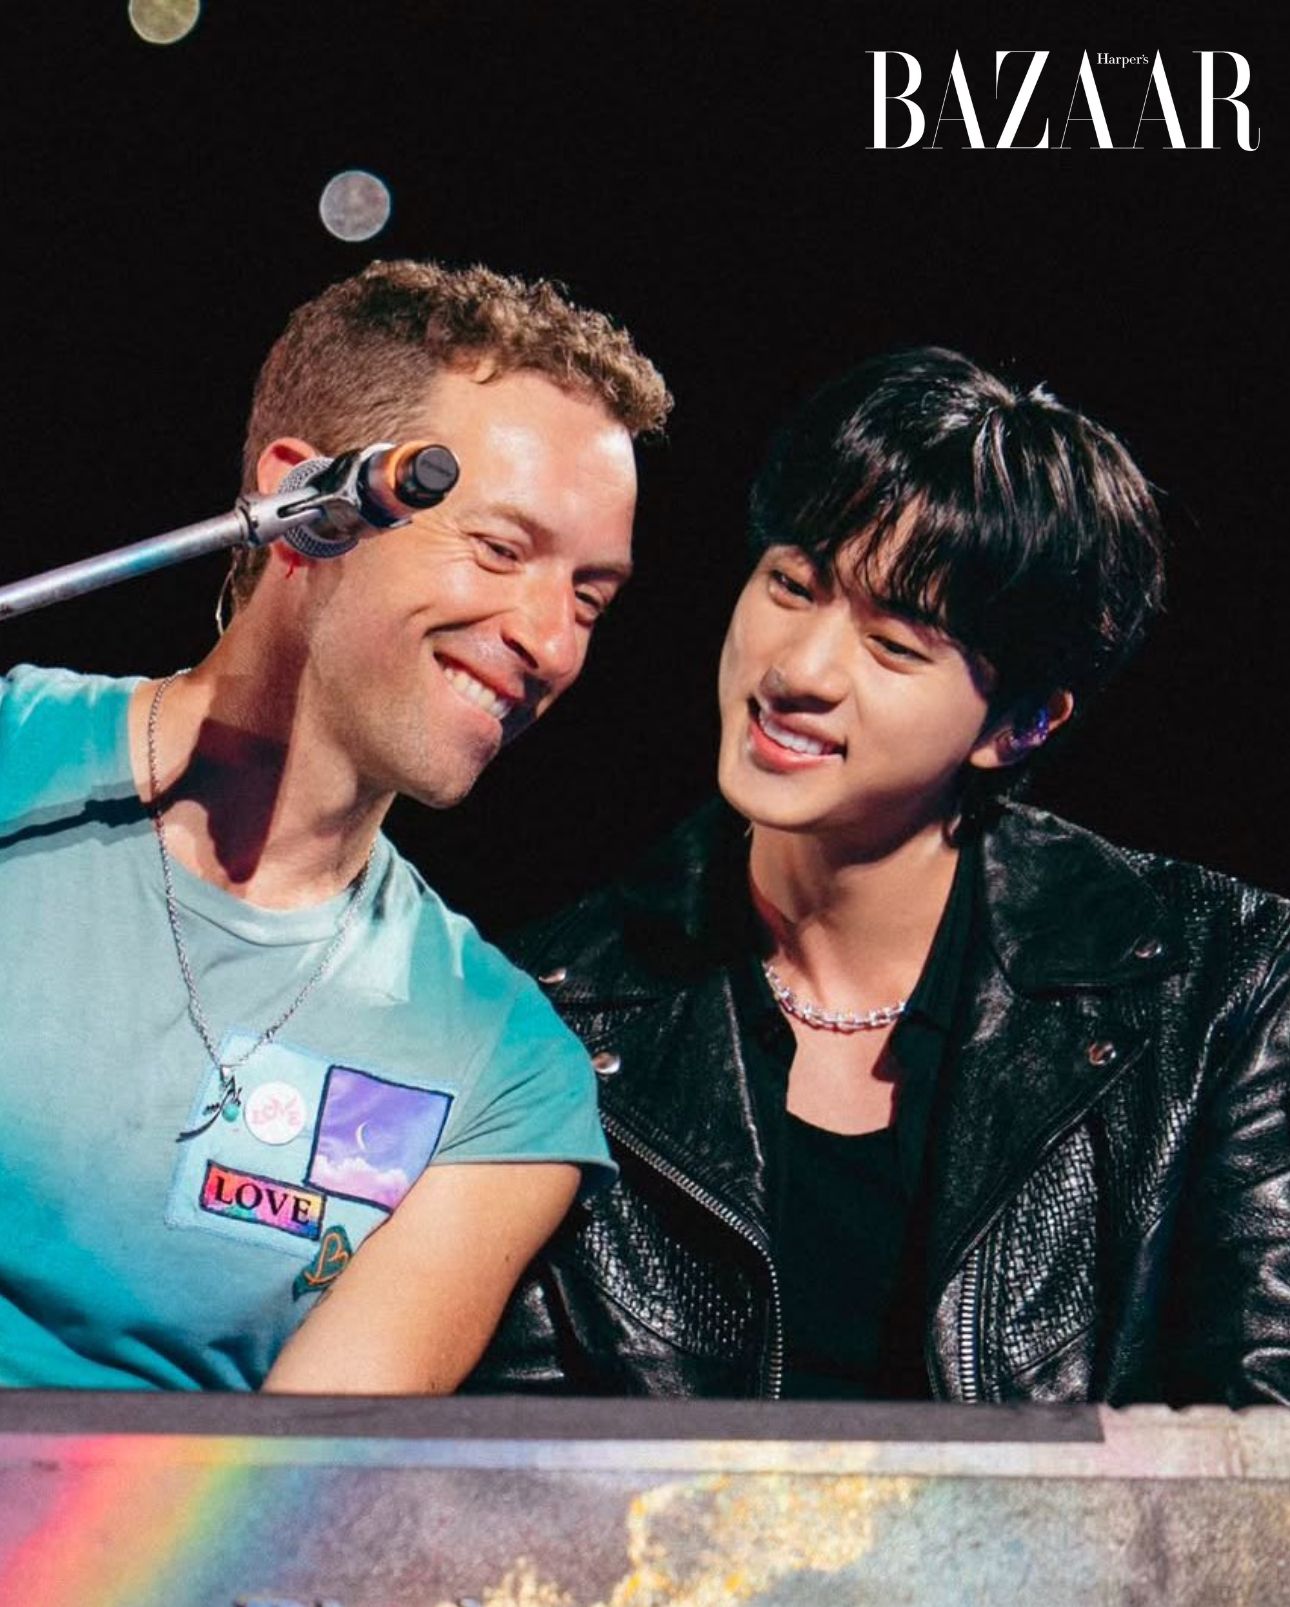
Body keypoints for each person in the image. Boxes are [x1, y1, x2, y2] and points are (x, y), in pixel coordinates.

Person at [466, 346, 1290, 1404]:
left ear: (1020, 723)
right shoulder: (553, 1006)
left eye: (895, 644)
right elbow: (523, 1459)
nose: (799, 670)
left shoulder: (1222, 987)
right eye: (791, 586)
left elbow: (1260, 1446)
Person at [0, 259, 670, 1393]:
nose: (552, 643)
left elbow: (303, 1481)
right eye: (500, 549)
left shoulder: (503, 1074)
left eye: (589, 597)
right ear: (304, 506)